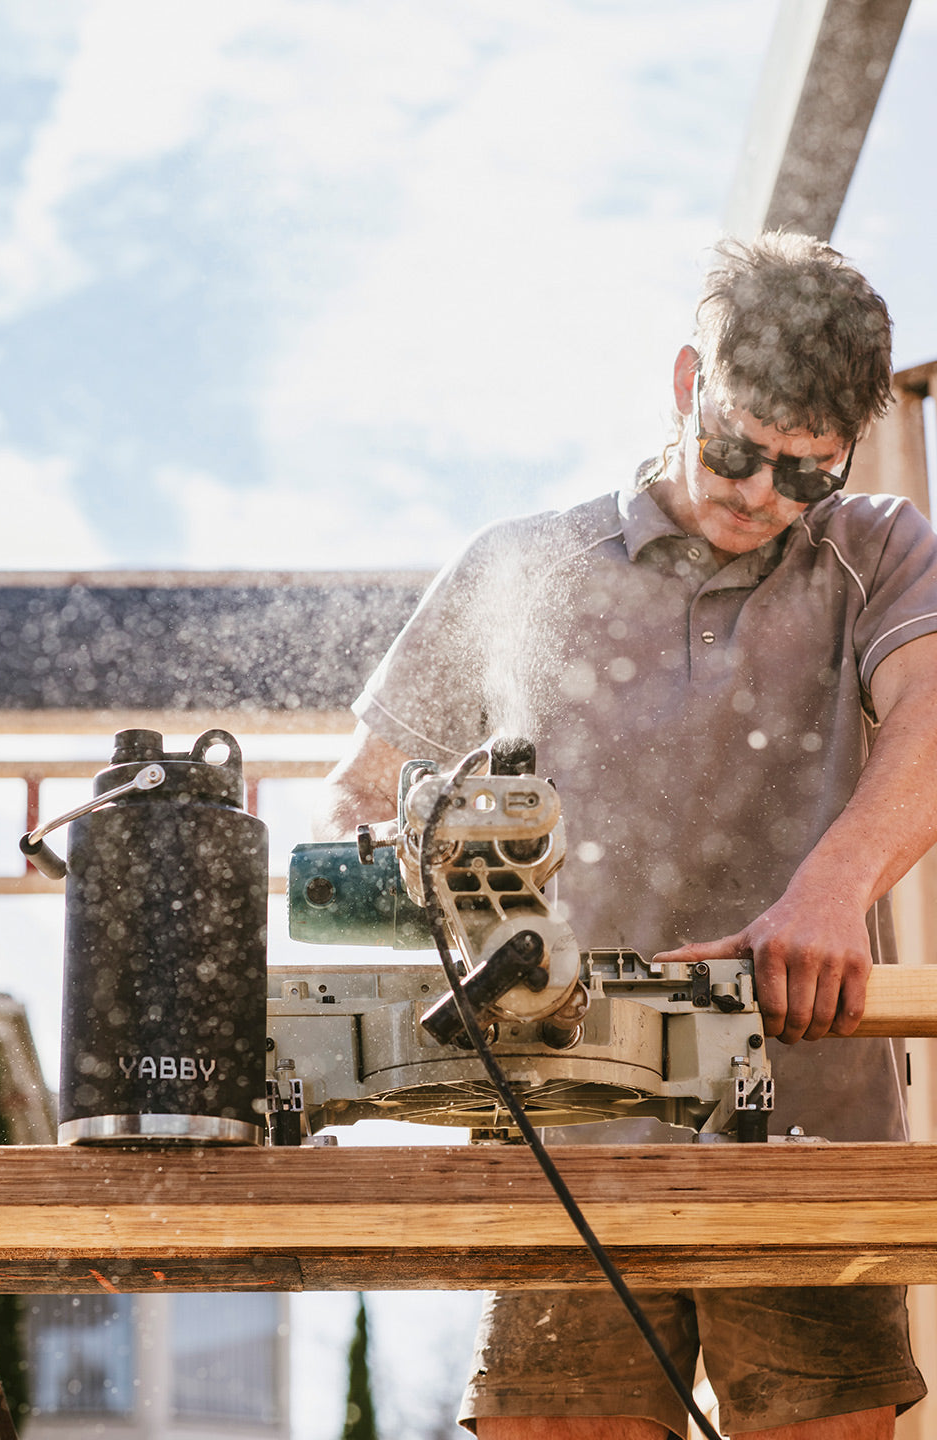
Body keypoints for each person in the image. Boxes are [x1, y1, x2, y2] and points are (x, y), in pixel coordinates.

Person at [313, 232, 937, 1438]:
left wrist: (832, 888)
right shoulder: (523, 567)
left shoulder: (878, 549)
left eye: (806, 473)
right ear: (686, 379)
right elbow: (353, 806)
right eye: (740, 451)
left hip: (804, 1116)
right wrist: (414, 891)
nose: (762, 498)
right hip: (564, 1125)